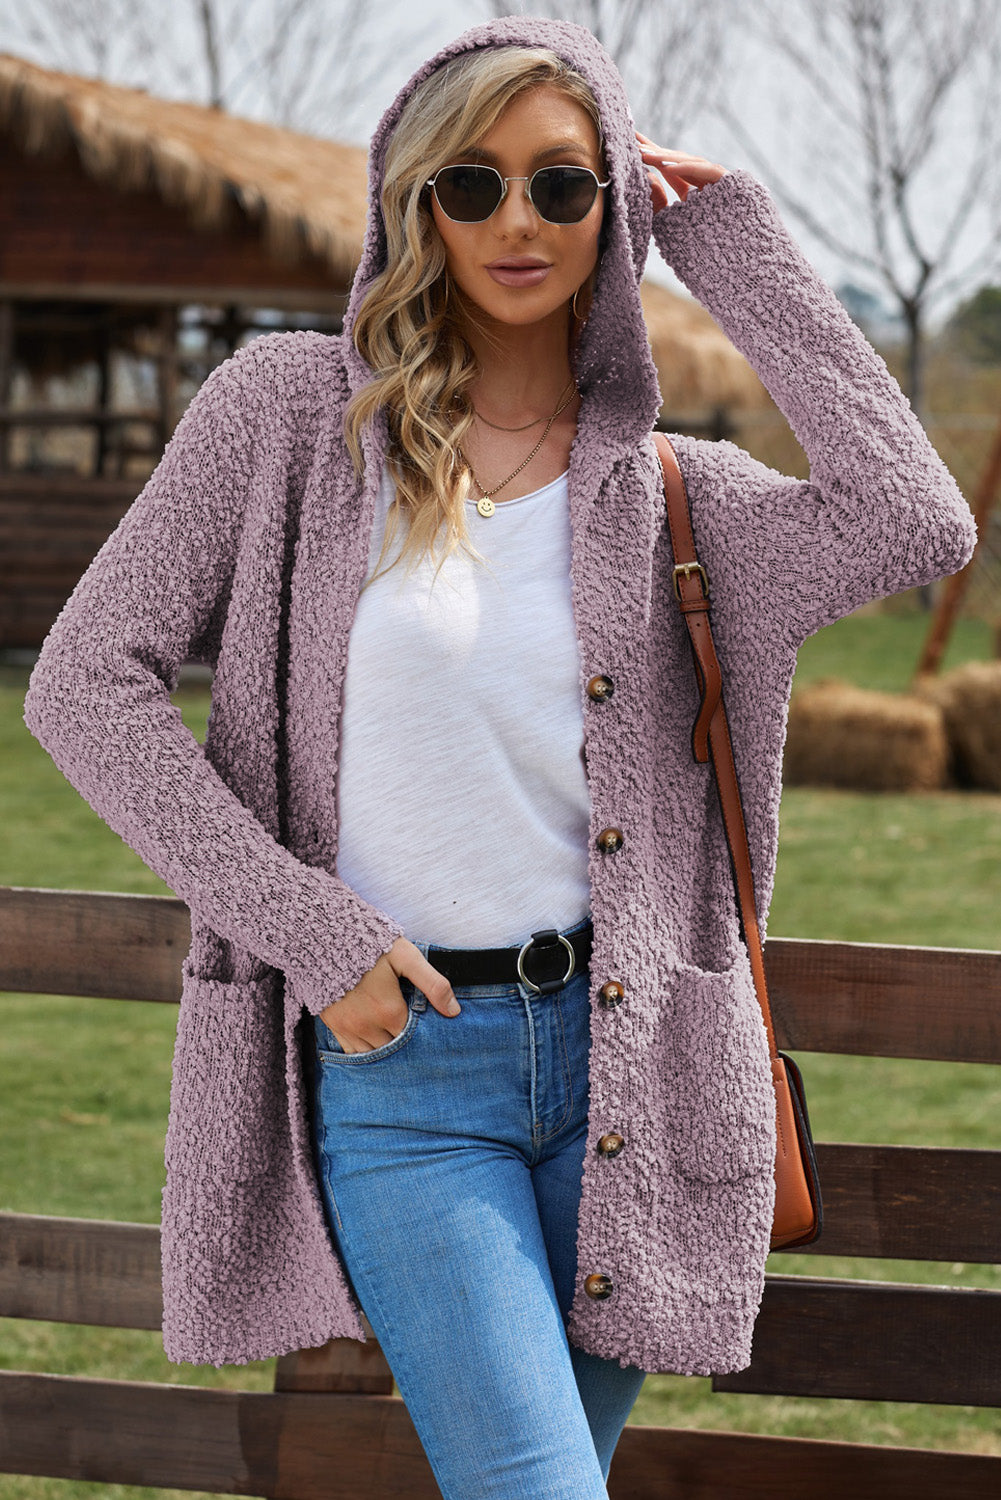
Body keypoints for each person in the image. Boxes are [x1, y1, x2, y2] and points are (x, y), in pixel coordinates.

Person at [22, 15, 977, 1500]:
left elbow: (914, 522)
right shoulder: (286, 418)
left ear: (613, 205)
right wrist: (307, 931)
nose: (516, 220)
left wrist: (731, 245)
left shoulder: (680, 497)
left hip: (631, 1079)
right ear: (415, 204)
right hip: (407, 1068)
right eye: (469, 184)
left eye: (562, 183)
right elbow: (84, 684)